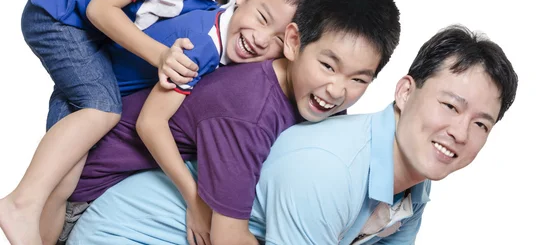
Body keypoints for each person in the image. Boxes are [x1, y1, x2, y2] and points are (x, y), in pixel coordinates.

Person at [0, 0, 306, 245]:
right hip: (64, 18)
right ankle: (19, 202)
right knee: (102, 109)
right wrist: (161, 56)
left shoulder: (232, 2)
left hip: (105, 51)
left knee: (66, 176)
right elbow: (99, 9)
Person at [67, 25, 517, 245]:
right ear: (404, 91)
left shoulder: (412, 189)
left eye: (481, 124)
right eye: (450, 106)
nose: (459, 132)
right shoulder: (329, 168)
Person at [67, 0, 400, 245]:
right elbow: (227, 238)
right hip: (92, 188)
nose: (337, 91)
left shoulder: (309, 93)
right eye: (328, 66)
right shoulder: (247, 109)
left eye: (358, 80)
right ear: (294, 43)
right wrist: (196, 200)